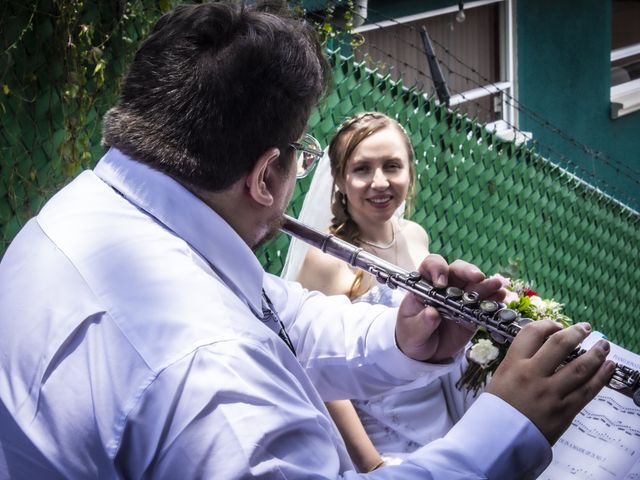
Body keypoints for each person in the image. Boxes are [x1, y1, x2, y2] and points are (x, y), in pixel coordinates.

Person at [0, 2, 614, 479]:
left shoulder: (89, 213)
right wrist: (509, 426)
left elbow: (276, 312)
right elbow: (228, 346)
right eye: (302, 157)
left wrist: (405, 337)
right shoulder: (214, 382)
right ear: (267, 175)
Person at [287, 112, 480, 471]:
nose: (380, 182)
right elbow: (322, 376)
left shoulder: (415, 234)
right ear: (340, 181)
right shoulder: (329, 260)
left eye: (392, 166)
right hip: (384, 443)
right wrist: (372, 464)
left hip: (444, 420)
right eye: (362, 169)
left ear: (410, 171)